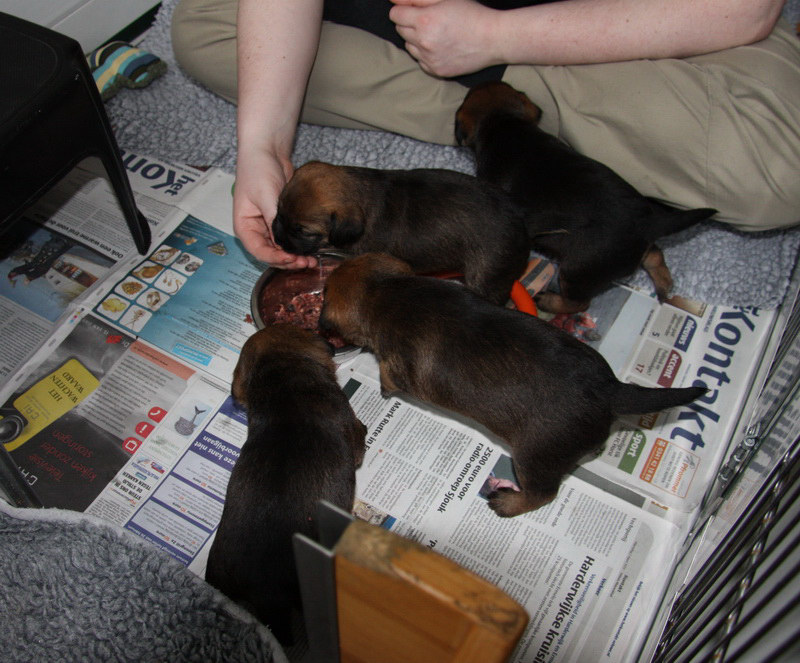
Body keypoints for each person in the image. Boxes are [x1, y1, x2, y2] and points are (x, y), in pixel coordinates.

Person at [171, 0, 800, 267]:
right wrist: (262, 144)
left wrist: (495, 37)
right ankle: (505, 110)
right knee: (205, 29)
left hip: (603, 16)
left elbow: (743, 8)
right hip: (416, 19)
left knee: (776, 172)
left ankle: (493, 102)